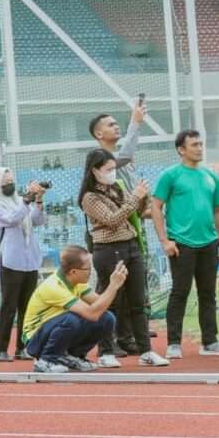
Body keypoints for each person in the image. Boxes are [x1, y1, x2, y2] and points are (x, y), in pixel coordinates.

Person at [150, 130, 219, 358]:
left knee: (208, 294)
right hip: (181, 243)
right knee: (180, 292)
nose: (200, 148)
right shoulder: (170, 175)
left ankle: (210, 342)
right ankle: (173, 344)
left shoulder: (211, 177)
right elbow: (156, 207)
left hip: (209, 243)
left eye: (201, 144)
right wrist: (164, 241)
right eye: (194, 144)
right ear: (181, 149)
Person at [79, 148, 166, 367]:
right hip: (108, 249)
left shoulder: (116, 188)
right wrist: (133, 200)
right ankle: (105, 351)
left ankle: (146, 351)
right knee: (110, 302)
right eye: (108, 169)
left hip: (131, 245)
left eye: (114, 169)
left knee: (137, 302)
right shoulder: (89, 197)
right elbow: (112, 219)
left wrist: (142, 197)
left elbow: (135, 210)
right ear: (95, 171)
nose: (112, 173)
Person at [24, 245, 128, 372]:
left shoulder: (78, 283)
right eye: (88, 269)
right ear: (74, 272)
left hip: (54, 328)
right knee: (72, 319)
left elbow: (99, 305)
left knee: (107, 318)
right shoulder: (53, 286)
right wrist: (113, 286)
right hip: (34, 339)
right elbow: (92, 313)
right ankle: (46, 360)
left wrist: (116, 284)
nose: (91, 272)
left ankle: (73, 357)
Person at [0, 167, 45, 363]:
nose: (9, 185)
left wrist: (38, 200)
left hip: (30, 259)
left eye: (11, 181)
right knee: (9, 306)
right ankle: (1, 349)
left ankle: (23, 347)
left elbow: (37, 220)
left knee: (27, 306)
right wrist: (27, 199)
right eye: (4, 182)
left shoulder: (19, 200)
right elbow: (12, 219)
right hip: (11, 260)